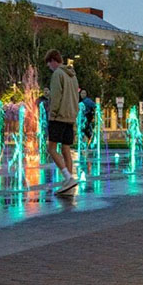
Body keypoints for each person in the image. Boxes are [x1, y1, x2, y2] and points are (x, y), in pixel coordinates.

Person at [45, 49, 80, 194]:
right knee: (66, 149)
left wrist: (52, 114)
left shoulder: (57, 74)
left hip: (59, 116)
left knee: (51, 148)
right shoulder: (72, 76)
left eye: (48, 65)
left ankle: (67, 177)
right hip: (71, 116)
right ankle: (68, 182)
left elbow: (56, 96)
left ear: (53, 61)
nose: (49, 68)